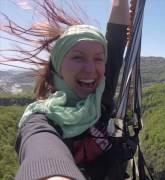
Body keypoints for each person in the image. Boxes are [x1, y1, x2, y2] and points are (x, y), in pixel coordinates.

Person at [0, 0, 132, 179]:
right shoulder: (41, 120)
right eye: (78, 57)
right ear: (58, 66)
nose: (90, 69)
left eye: (98, 59)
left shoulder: (99, 96)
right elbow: (41, 153)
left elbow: (116, 39)